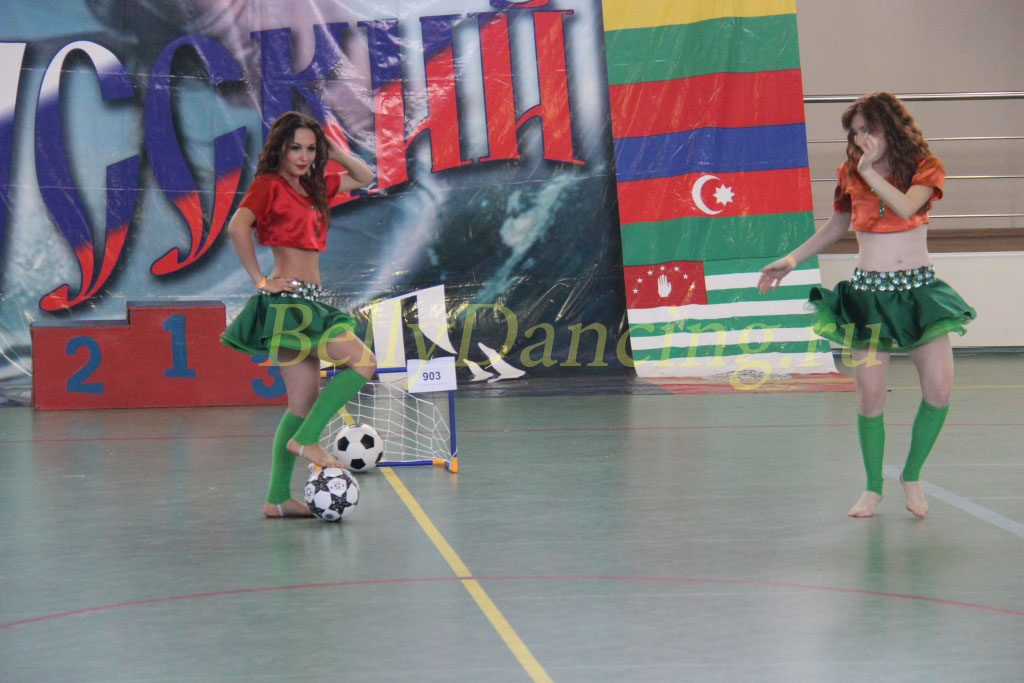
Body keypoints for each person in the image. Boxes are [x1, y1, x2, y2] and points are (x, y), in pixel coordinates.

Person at [758, 92, 975, 519]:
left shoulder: (925, 166)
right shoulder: (850, 171)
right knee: (870, 396)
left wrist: (868, 171)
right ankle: (873, 486)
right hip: (869, 300)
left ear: (890, 127)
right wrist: (791, 260)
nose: (861, 139)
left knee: (939, 390)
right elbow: (839, 223)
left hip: (919, 297)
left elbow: (906, 207)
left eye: (867, 129)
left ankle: (911, 476)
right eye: (855, 133)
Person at [221, 111, 377, 518]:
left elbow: (364, 176)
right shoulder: (268, 185)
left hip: (308, 301)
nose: (304, 156)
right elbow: (237, 227)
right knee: (364, 361)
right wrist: (260, 280)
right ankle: (307, 440)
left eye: (310, 149)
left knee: (301, 404)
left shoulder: (314, 186)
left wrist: (334, 151)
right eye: (296, 148)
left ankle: (276, 500)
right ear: (280, 149)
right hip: (290, 305)